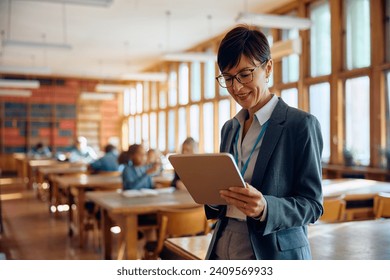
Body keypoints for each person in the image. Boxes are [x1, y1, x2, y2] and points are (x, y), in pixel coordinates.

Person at [205, 25, 323, 260]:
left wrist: (266, 208)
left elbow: (312, 205)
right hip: (223, 246)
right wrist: (211, 194)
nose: (236, 87)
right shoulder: (229, 128)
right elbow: (221, 203)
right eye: (227, 78)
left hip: (271, 252)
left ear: (268, 67)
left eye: (245, 75)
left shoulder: (300, 125)